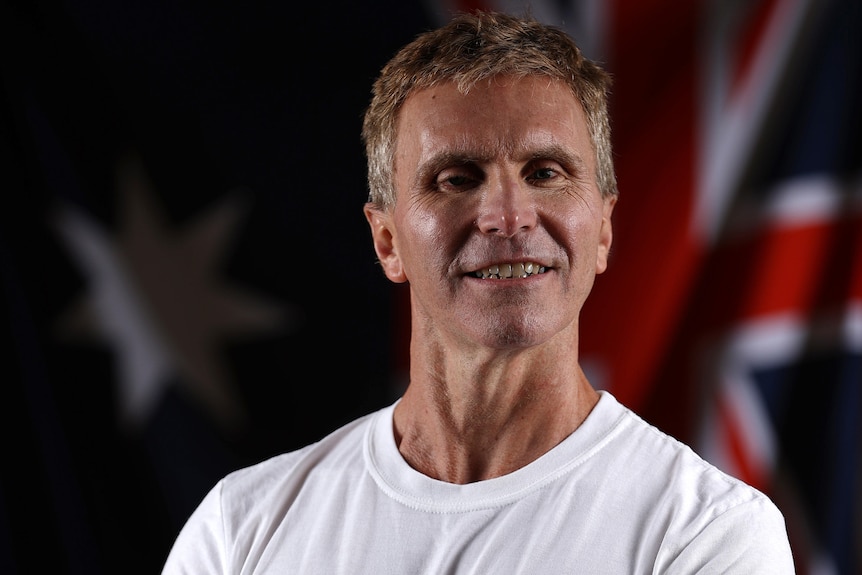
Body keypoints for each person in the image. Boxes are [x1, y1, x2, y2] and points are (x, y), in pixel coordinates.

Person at [162, 11, 795, 573]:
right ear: (387, 241)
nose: (508, 215)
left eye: (545, 172)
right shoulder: (239, 532)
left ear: (603, 230)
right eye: (457, 178)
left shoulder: (706, 535)